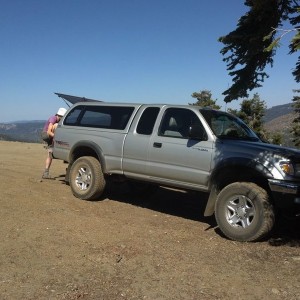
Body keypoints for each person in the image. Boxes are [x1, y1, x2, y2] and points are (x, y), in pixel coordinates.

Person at [41, 107, 67, 179]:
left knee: (50, 155)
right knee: (56, 126)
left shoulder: (57, 120)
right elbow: (49, 131)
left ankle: (46, 173)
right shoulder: (53, 118)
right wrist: (57, 138)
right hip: (46, 135)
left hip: (51, 138)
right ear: (60, 116)